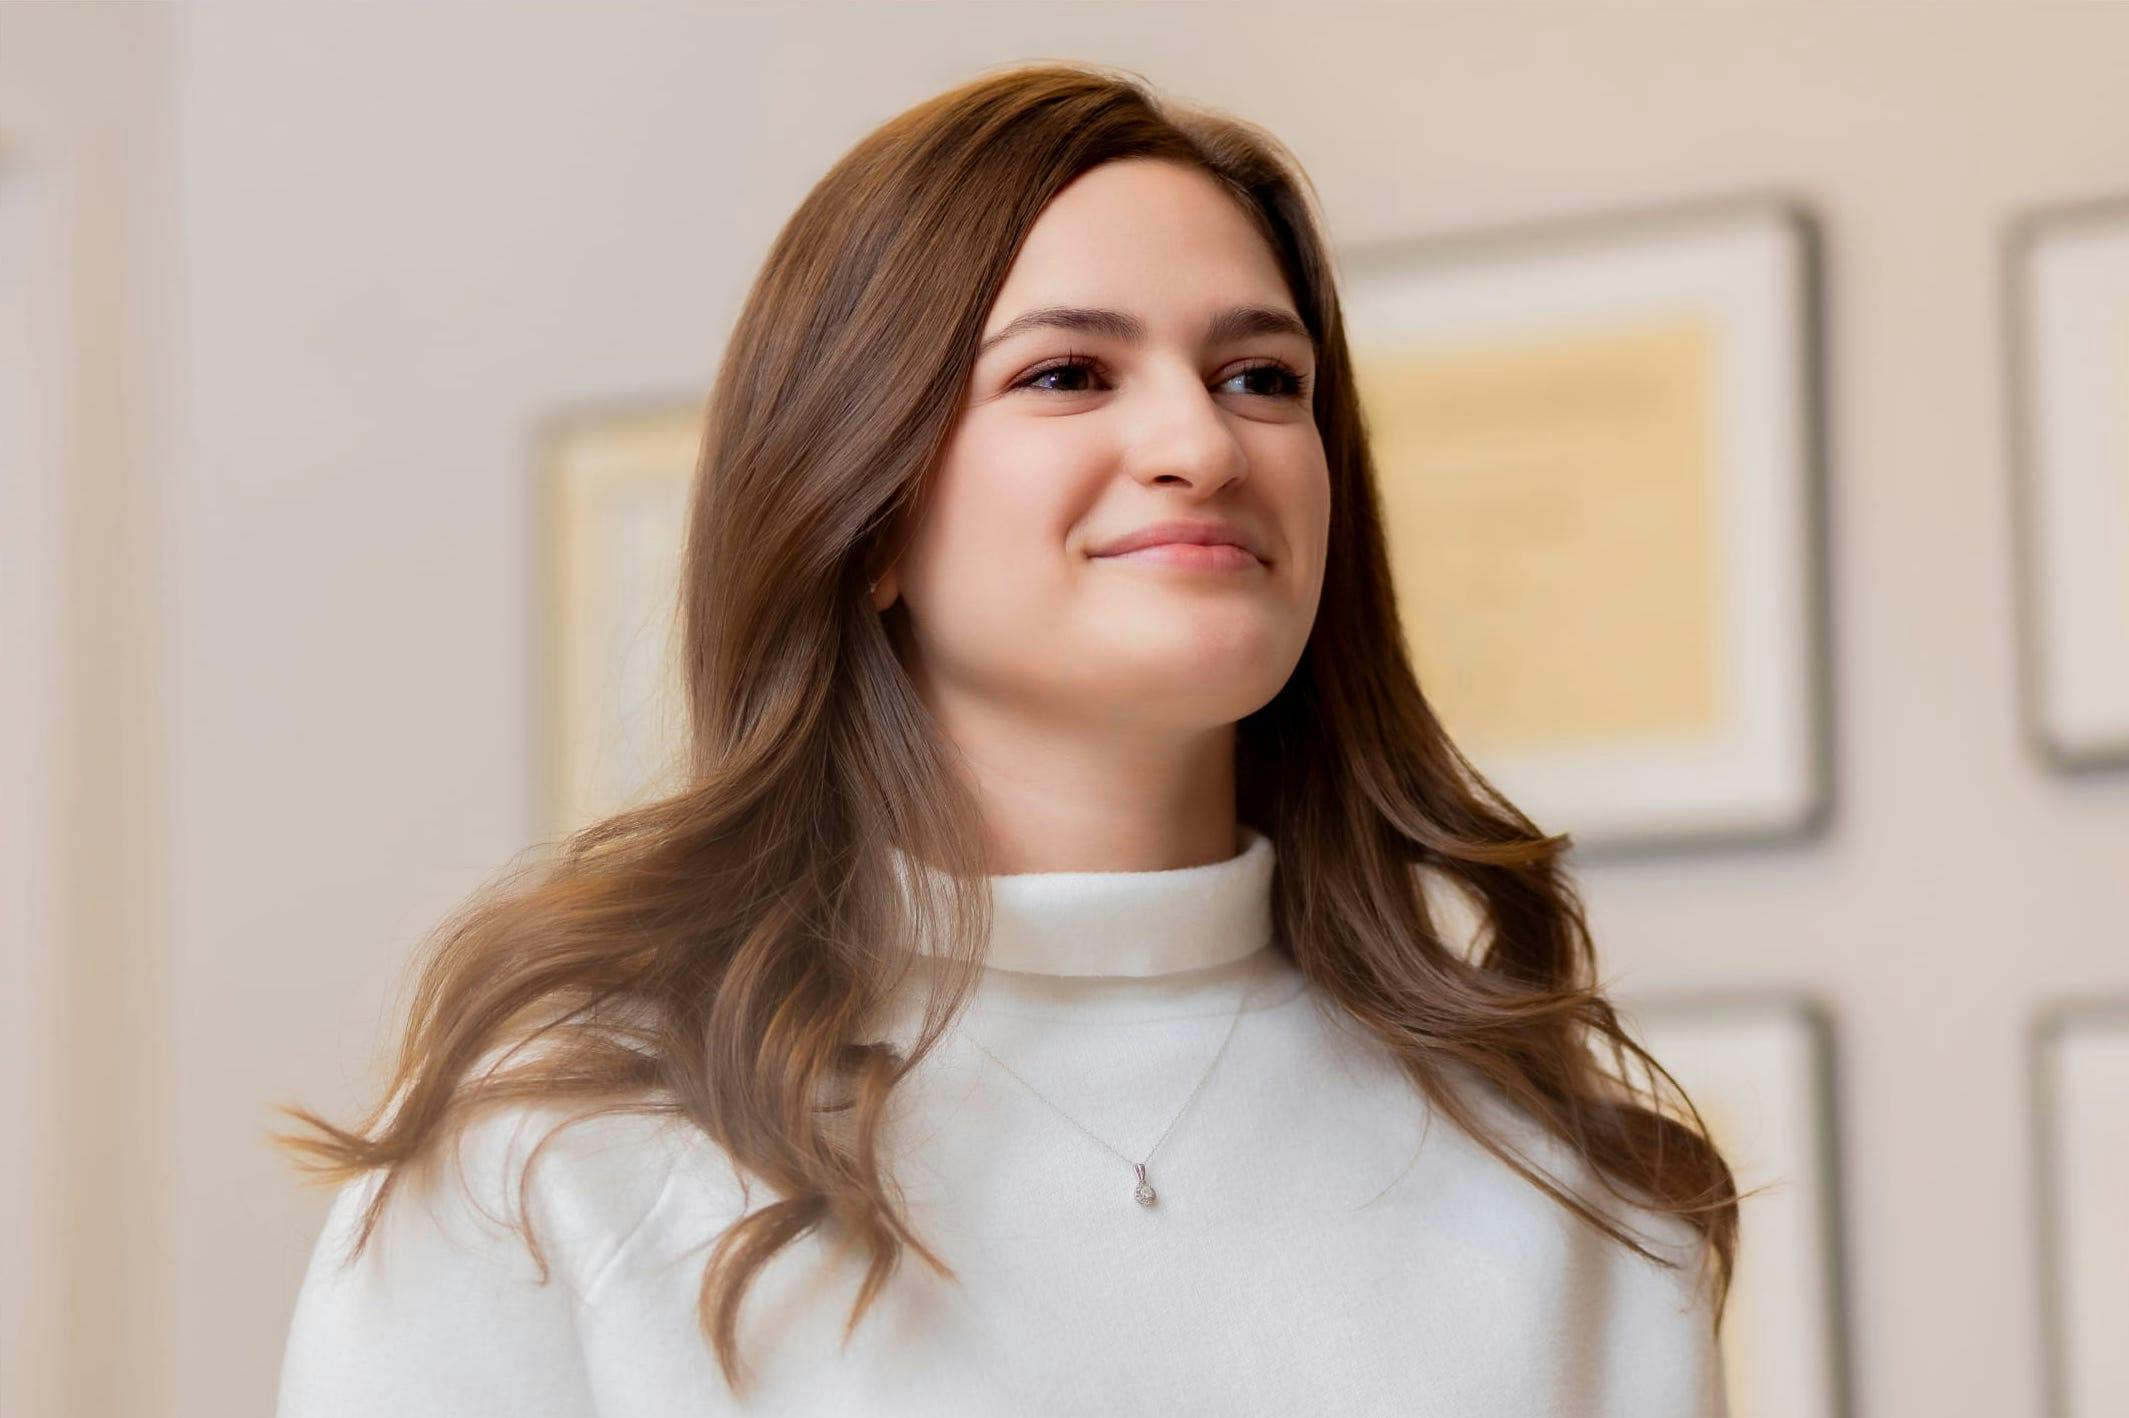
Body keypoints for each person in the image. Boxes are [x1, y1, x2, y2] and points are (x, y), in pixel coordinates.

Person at [272, 59, 1739, 1416]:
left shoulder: (1561, 1181)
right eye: (1066, 374)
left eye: (1260, 379)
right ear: (862, 512)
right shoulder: (554, 1154)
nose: (1203, 445)